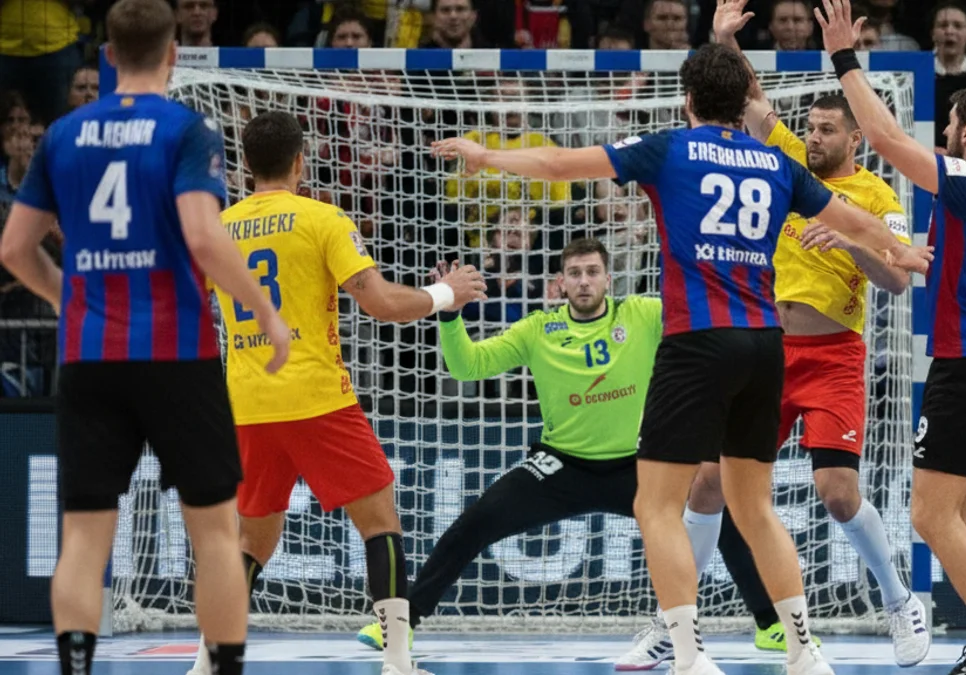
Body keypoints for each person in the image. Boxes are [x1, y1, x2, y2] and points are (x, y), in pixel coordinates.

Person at [432, 41, 931, 675]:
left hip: (698, 343)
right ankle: (804, 653)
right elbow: (854, 220)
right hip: (765, 347)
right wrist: (904, 251)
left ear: (687, 99)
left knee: (655, 505)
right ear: (737, 102)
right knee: (752, 508)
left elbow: (560, 163)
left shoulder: (669, 149)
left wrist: (486, 154)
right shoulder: (780, 165)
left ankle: (690, 655)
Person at [618, 3, 929, 668]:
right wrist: (724, 40)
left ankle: (900, 599)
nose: (812, 137)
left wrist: (851, 241)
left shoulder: (877, 198)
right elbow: (742, 104)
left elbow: (898, 282)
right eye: (809, 128)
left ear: (855, 139)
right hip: (768, 348)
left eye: (825, 130)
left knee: (838, 493)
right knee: (706, 486)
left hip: (836, 352)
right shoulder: (784, 160)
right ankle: (674, 625)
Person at [0, 1, 291, 674]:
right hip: (177, 355)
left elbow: (15, 248)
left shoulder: (64, 133)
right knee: (216, 534)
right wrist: (265, 315)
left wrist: (67, 294)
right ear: (172, 55)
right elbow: (201, 235)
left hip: (90, 353)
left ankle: (75, 668)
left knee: (83, 536)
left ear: (105, 55)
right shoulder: (188, 130)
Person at [356, 238, 790, 658]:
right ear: (560, 283)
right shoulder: (538, 329)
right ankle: (402, 623)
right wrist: (450, 316)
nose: (584, 281)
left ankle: (771, 624)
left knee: (720, 512)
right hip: (559, 466)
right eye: (575, 273)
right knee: (475, 522)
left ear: (608, 280)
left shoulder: (642, 314)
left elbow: (700, 324)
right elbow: (468, 366)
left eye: (593, 273)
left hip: (636, 465)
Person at [184, 110, 486, 675]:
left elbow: (182, 307)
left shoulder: (217, 228)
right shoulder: (321, 218)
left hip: (247, 402)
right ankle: (397, 660)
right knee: (379, 523)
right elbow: (381, 304)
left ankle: (207, 662)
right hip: (318, 396)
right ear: (301, 160)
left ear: (245, 165)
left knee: (250, 542)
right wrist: (445, 292)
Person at [814, 0, 966, 673]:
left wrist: (844, 59)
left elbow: (884, 141)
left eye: (947, 126)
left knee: (931, 517)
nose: (940, 133)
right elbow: (960, 259)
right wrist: (898, 248)